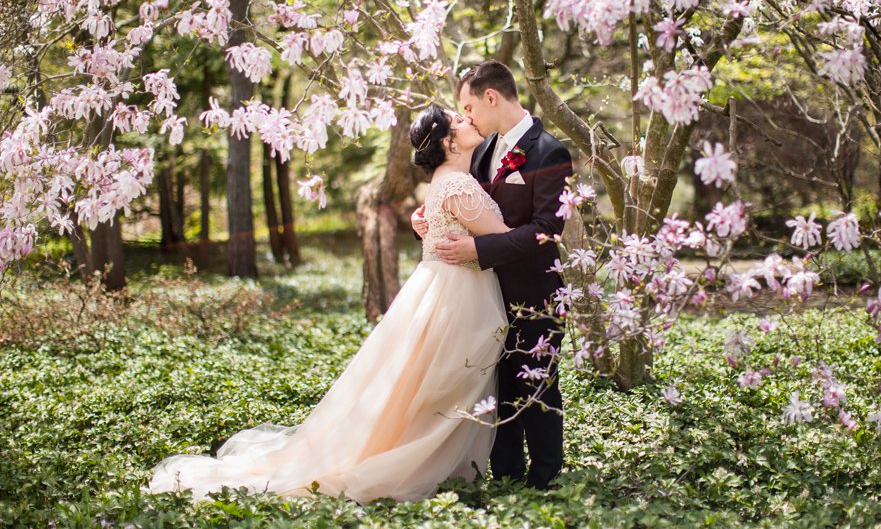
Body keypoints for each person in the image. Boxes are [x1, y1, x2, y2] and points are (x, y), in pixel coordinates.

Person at [148, 105, 511, 504]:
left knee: (431, 383)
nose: (467, 120)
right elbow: (508, 239)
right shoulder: (457, 185)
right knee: (448, 383)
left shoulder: (448, 181)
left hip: (442, 288)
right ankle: (430, 466)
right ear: (447, 141)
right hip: (457, 294)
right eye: (458, 121)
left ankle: (441, 462)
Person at [413, 60, 572, 490]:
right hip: (485, 295)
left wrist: (479, 248)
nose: (465, 117)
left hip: (534, 291)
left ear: (491, 97)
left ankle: (545, 478)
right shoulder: (482, 148)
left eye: (468, 107)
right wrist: (430, 222)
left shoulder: (549, 151)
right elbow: (466, 210)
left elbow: (546, 231)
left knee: (536, 387)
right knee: (495, 388)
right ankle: (504, 474)